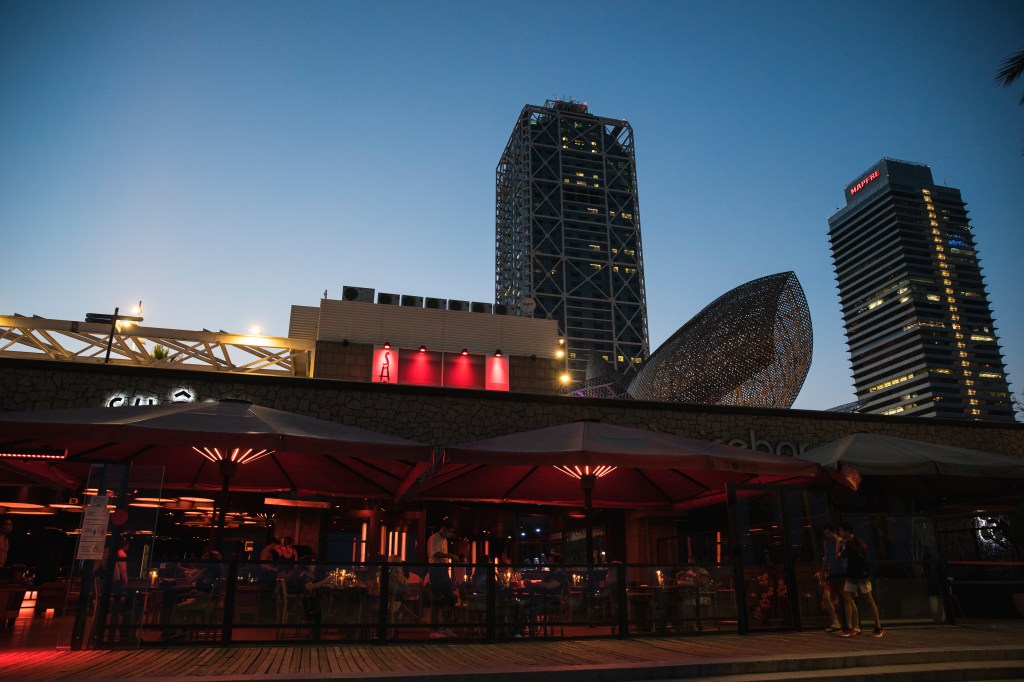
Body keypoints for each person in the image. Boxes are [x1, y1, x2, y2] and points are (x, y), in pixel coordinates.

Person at [837, 523, 884, 638]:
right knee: (847, 597)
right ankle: (850, 627)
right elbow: (841, 555)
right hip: (851, 574)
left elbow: (853, 554)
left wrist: (842, 548)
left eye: (841, 531)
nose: (839, 533)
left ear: (847, 531)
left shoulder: (857, 542)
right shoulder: (846, 543)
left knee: (869, 599)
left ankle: (878, 627)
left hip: (861, 574)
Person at [426, 520, 459, 638]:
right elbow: (436, 554)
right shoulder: (434, 538)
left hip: (443, 571)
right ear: (443, 528)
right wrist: (451, 556)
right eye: (449, 531)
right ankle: (434, 630)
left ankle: (445, 627)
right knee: (437, 600)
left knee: (449, 598)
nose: (450, 533)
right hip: (436, 570)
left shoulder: (445, 540)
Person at [821, 525, 848, 633]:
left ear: (834, 532)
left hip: (842, 573)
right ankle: (835, 621)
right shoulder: (827, 544)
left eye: (828, 533)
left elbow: (841, 555)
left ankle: (851, 624)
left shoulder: (841, 541)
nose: (826, 535)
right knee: (826, 597)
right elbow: (826, 557)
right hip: (832, 574)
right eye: (825, 533)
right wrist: (822, 571)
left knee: (847, 599)